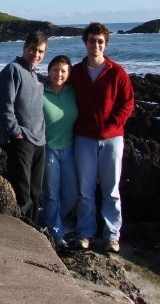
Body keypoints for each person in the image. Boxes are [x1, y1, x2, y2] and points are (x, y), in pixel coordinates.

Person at [69, 22, 134, 253]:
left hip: (112, 139)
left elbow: (127, 101)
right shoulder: (75, 72)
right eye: (91, 40)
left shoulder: (117, 72)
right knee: (85, 190)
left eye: (99, 41)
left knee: (111, 190)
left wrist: (115, 123)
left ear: (105, 44)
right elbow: (59, 91)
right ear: (85, 42)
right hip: (84, 138)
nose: (95, 44)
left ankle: (111, 235)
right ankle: (85, 232)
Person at [0, 31, 48, 225]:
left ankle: (34, 229)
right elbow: (2, 106)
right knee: (22, 193)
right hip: (21, 141)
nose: (36, 54)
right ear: (24, 47)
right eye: (33, 49)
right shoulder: (12, 70)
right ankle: (24, 235)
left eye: (41, 51)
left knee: (35, 192)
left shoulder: (38, 77)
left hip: (39, 141)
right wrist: (15, 132)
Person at [42, 55, 79, 251]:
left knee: (72, 195)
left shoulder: (72, 91)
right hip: (48, 151)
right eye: (55, 69)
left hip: (69, 149)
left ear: (69, 74)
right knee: (52, 195)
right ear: (49, 71)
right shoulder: (40, 91)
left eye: (63, 70)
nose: (59, 74)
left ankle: (45, 218)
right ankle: (57, 234)